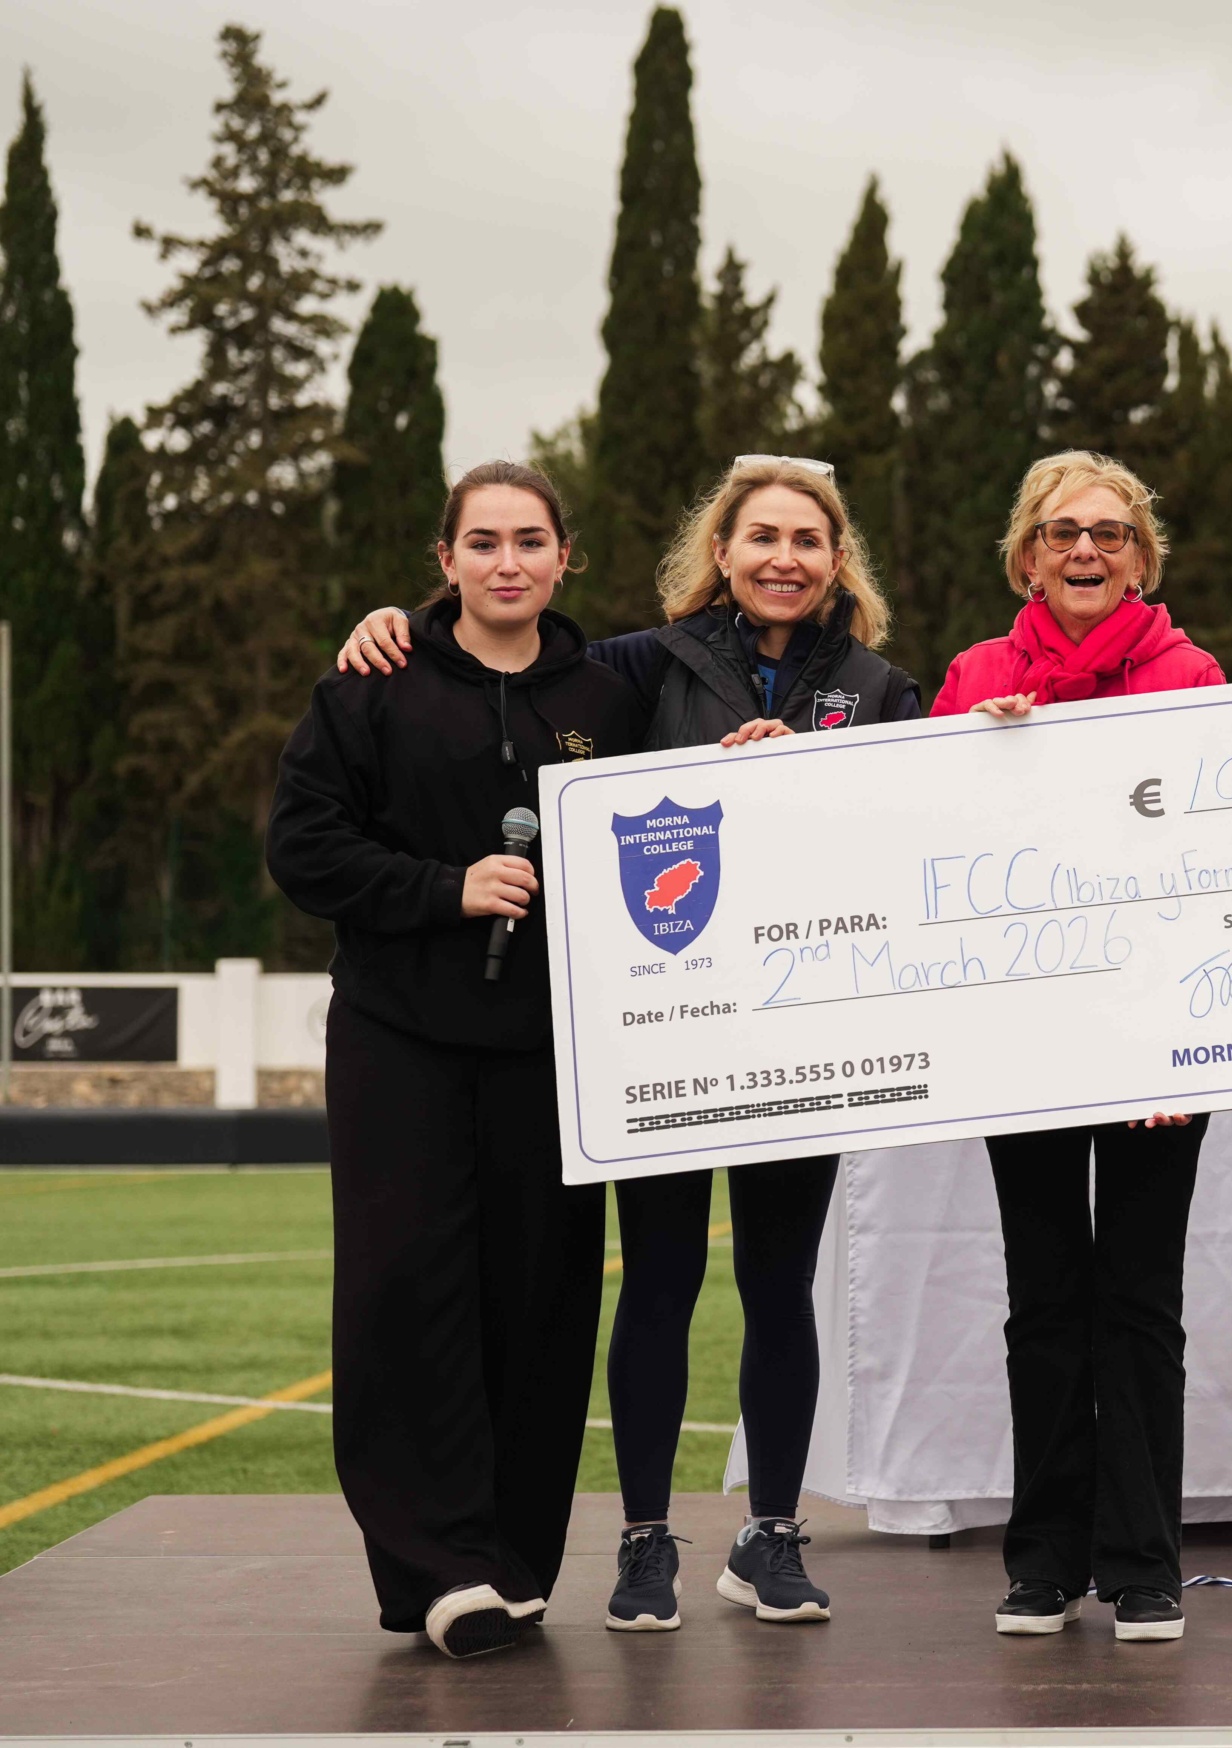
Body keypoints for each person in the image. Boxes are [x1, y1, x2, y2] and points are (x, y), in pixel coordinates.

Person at [332, 456, 920, 1632]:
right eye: (761, 536)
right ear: (723, 548)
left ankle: (771, 1535)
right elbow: (507, 661)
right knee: (657, 1276)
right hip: (663, 1037)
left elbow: (910, 826)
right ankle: (645, 1539)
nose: (783, 558)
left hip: (803, 1033)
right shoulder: (644, 663)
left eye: (808, 538)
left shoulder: (883, 685)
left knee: (778, 1283)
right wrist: (400, 620)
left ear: (837, 554)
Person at [270, 460, 645, 1658]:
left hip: (550, 1056)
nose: (506, 562)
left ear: (563, 557)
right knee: (405, 1297)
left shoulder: (607, 690)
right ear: (444, 562)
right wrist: (444, 889)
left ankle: (515, 1558)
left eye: (529, 540)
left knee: (539, 1299)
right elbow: (304, 847)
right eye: (481, 542)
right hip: (400, 1042)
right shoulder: (371, 683)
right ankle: (435, 1568)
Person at [931, 450, 1224, 1643]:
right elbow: (928, 850)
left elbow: (1218, 860)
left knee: (1141, 1300)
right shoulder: (975, 676)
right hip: (1025, 1041)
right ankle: (1045, 1556)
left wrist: (1172, 1045)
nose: (1087, 551)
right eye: (1063, 533)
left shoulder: (1193, 674)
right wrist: (978, 756)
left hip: (1161, 1044)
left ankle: (1145, 1561)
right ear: (1027, 554)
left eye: (1109, 533)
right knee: (1045, 1299)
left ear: (1141, 558)